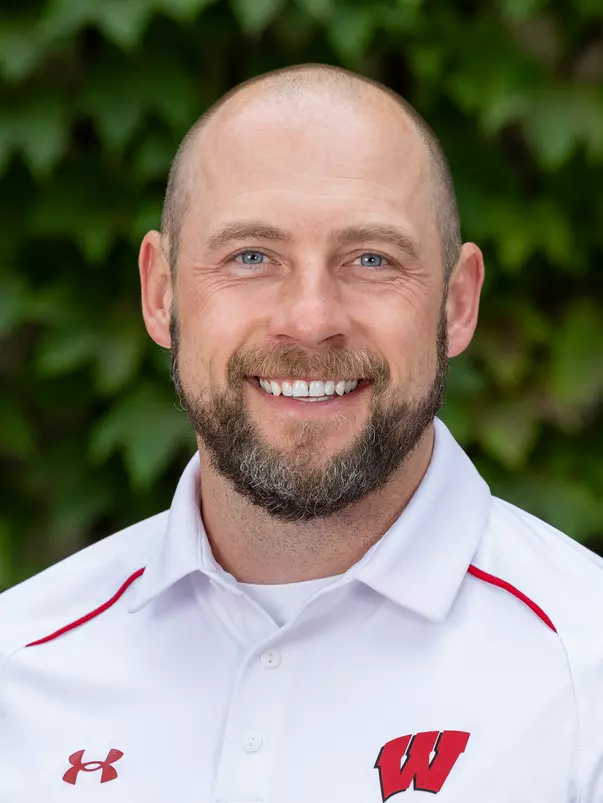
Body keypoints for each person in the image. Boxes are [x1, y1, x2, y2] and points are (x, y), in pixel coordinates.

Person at [0, 64, 601, 803]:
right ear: (160, 294)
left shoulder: (586, 668)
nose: (311, 318)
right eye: (251, 256)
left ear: (456, 304)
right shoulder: (18, 663)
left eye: (371, 259)